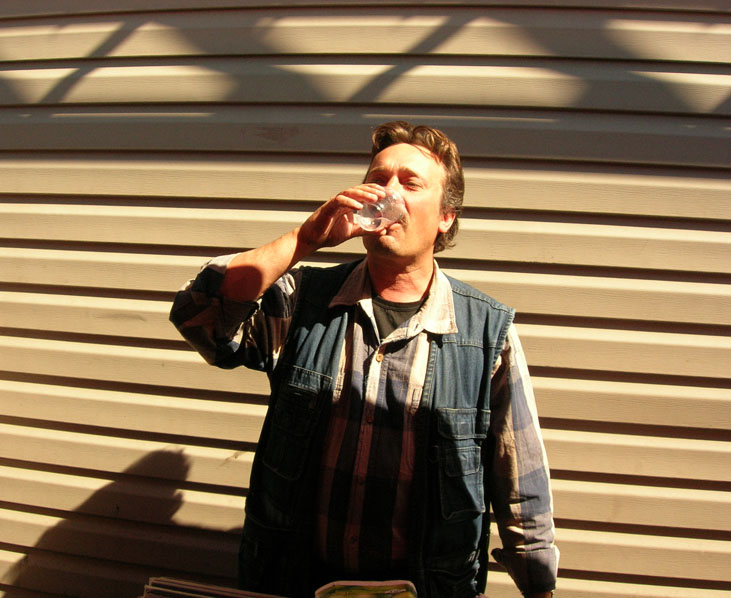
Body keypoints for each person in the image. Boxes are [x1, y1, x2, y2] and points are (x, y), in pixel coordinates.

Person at [170, 121, 558, 597]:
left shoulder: (485, 332)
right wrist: (305, 239)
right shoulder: (303, 300)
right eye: (378, 179)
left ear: (446, 217)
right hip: (295, 579)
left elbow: (520, 483)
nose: (387, 193)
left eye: (410, 183)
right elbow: (199, 317)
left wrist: (538, 586)